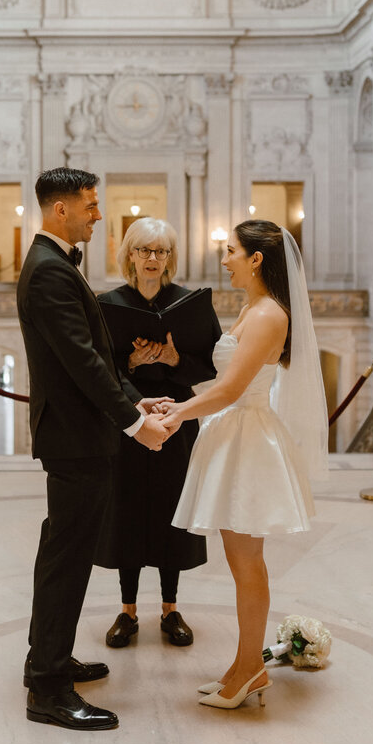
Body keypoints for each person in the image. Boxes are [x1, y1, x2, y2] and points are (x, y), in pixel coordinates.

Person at [17, 168, 171, 731]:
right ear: (60, 210)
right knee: (67, 560)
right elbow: (82, 363)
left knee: (63, 551)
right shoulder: (48, 272)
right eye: (90, 206)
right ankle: (49, 689)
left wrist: (140, 399)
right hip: (76, 440)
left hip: (80, 435)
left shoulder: (55, 264)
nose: (99, 215)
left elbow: (99, 355)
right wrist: (135, 424)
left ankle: (48, 657)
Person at [160, 220, 328, 710]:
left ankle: (251, 669)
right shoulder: (251, 307)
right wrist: (173, 402)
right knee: (240, 562)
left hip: (250, 439)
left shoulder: (270, 313)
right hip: (234, 431)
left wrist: (177, 413)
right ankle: (242, 665)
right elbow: (224, 381)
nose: (224, 258)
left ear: (256, 259)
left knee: (247, 564)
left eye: (231, 251)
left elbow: (233, 390)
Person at [96, 218, 221, 649]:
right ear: (129, 254)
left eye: (161, 251)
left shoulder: (190, 303)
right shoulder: (107, 303)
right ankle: (127, 610)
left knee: (172, 507)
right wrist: (130, 372)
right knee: (127, 507)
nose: (152, 259)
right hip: (128, 418)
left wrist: (171, 359)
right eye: (144, 250)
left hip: (177, 415)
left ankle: (170, 608)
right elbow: (101, 365)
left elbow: (209, 365)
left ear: (170, 258)